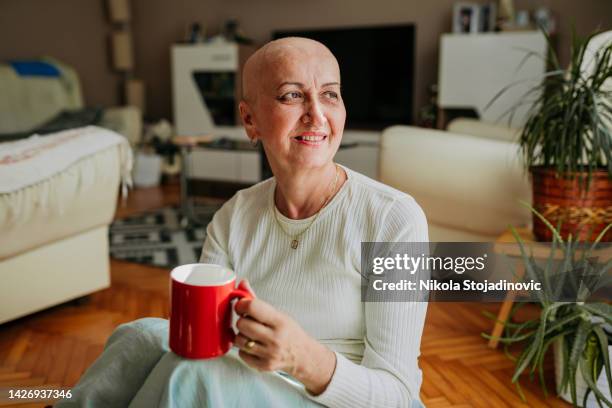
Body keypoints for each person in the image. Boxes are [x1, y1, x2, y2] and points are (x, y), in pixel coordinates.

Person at [59, 37, 428, 408]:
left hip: (341, 397)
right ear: (250, 120)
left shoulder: (393, 219)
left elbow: (398, 395)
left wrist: (303, 358)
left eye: (330, 95)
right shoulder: (234, 216)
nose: (317, 114)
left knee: (192, 376)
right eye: (291, 96)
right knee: (139, 336)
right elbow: (209, 337)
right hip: (253, 373)